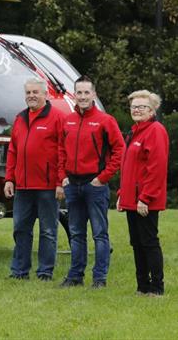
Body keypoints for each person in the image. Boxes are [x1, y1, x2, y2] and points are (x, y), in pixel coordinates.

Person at [59, 75, 124, 288]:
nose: (83, 96)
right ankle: (75, 276)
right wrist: (63, 177)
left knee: (99, 234)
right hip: (72, 185)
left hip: (94, 185)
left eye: (87, 92)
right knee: (76, 234)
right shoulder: (68, 120)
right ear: (74, 94)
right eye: (79, 92)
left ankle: (99, 278)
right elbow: (60, 150)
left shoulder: (106, 121)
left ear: (93, 94)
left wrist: (102, 178)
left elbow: (119, 151)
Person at [4, 78, 66, 281]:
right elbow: (13, 150)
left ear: (45, 94)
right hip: (22, 186)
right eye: (28, 92)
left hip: (48, 187)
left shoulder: (57, 117)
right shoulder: (20, 118)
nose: (31, 95)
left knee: (48, 231)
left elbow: (62, 152)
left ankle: (45, 272)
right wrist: (9, 179)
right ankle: (19, 271)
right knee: (20, 229)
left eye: (35, 92)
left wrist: (60, 182)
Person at [117, 90, 168, 296]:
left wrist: (145, 198)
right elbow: (129, 168)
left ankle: (156, 288)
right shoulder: (134, 131)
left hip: (145, 200)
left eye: (142, 107)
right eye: (134, 107)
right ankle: (142, 286)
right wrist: (122, 193)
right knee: (136, 243)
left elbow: (156, 168)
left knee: (149, 242)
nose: (137, 110)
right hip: (132, 199)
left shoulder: (155, 130)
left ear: (152, 110)